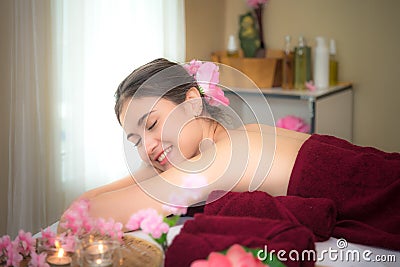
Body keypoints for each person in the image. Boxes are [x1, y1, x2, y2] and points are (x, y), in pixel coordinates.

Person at [59, 59, 400, 252]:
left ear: (193, 101)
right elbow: (100, 198)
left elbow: (83, 213)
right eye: (134, 139)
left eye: (151, 124)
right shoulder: (229, 141)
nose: (146, 146)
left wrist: (151, 164)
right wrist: (153, 158)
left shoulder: (222, 158)